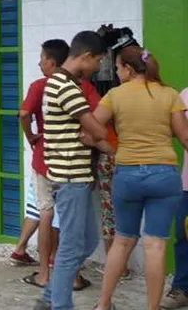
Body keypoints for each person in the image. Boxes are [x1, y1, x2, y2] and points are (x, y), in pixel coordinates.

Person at [92, 47, 188, 310]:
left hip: (128, 174)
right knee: (155, 245)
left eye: (118, 68)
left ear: (129, 69)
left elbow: (91, 131)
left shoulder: (114, 95)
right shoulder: (169, 94)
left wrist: (110, 149)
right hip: (164, 175)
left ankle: (103, 305)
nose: (116, 72)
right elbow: (185, 137)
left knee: (122, 241)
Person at [34, 31, 112, 310]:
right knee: (70, 247)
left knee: (87, 240)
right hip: (70, 179)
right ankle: (60, 304)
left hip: (75, 178)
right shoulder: (65, 87)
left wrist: (92, 134)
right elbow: (98, 130)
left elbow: (91, 132)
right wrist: (98, 135)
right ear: (86, 56)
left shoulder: (65, 83)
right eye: (99, 61)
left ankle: (49, 296)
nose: (99, 68)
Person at [19, 40, 95, 291]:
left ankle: (44, 274)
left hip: (44, 158)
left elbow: (23, 114)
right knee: (69, 223)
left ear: (52, 61)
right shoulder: (81, 87)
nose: (40, 63)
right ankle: (71, 276)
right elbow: (100, 114)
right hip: (73, 164)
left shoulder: (41, 85)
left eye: (42, 58)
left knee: (46, 213)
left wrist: (30, 136)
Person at [160, 87, 188, 309]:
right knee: (183, 235)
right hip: (187, 184)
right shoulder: (185, 95)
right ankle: (182, 288)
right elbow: (171, 129)